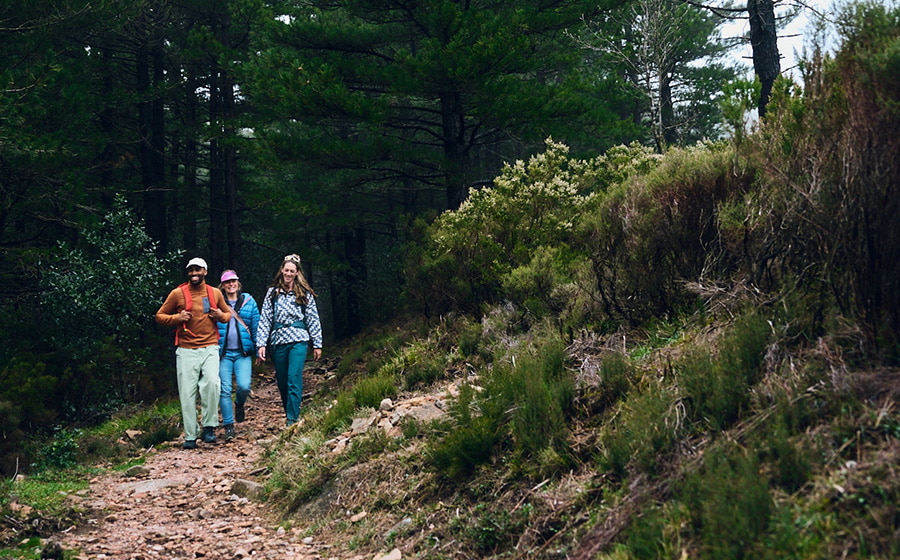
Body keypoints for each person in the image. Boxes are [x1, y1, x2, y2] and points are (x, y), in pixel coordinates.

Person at [155, 257, 231, 449]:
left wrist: (220, 316)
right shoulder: (177, 294)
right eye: (191, 271)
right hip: (186, 349)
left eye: (198, 270)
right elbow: (159, 316)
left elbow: (227, 314)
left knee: (212, 384)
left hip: (210, 346)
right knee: (187, 392)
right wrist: (177, 317)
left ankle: (209, 427)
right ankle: (190, 434)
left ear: (205, 271)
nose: (194, 274)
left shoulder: (214, 293)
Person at [256, 254, 323, 426]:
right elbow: (265, 319)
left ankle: (292, 419)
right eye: (286, 270)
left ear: (297, 272)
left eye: (292, 271)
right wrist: (261, 343)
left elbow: (313, 318)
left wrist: (317, 343)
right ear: (282, 271)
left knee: (294, 377)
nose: (288, 274)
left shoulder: (304, 293)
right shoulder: (273, 293)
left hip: (298, 340)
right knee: (283, 380)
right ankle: (289, 412)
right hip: (278, 341)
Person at [216, 269, 260, 440]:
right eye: (227, 282)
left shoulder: (249, 301)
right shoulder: (217, 303)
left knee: (244, 386)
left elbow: (256, 325)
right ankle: (228, 426)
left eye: (233, 281)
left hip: (243, 353)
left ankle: (239, 404)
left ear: (238, 283)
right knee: (224, 390)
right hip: (223, 354)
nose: (231, 284)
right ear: (223, 285)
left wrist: (259, 349)